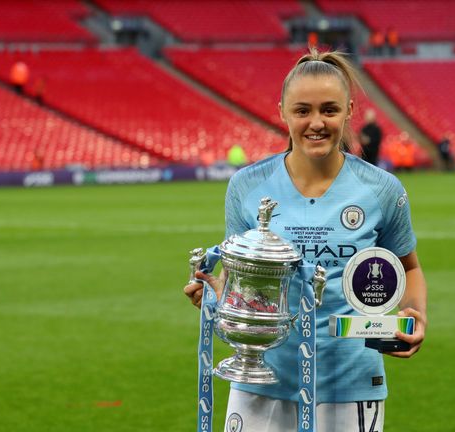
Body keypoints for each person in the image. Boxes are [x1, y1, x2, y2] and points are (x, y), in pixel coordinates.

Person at [183, 47, 427, 431]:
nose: (317, 122)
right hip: (259, 380)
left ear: (348, 111)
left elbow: (408, 268)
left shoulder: (381, 189)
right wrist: (217, 297)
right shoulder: (246, 186)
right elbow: (240, 278)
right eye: (303, 111)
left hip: (350, 385)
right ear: (282, 111)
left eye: (329, 110)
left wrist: (414, 316)